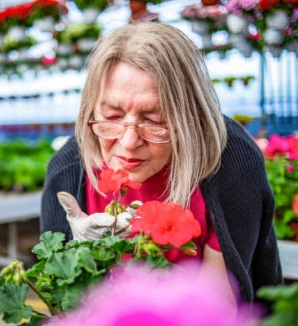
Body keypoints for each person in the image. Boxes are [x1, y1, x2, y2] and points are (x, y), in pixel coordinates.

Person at [40, 22, 282, 307]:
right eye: (112, 116)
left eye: (155, 120)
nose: (129, 142)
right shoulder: (67, 171)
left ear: (191, 118)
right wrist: (81, 255)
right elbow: (62, 301)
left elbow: (219, 307)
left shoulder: (229, 159)